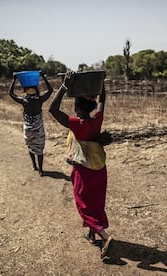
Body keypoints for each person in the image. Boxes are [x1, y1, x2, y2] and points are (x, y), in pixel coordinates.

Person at [48, 71, 113, 259]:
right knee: (95, 202)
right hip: (99, 169)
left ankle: (104, 235)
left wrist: (64, 86)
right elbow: (103, 99)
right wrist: (100, 82)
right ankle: (92, 234)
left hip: (83, 171)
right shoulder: (97, 119)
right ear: (91, 106)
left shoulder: (75, 123)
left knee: (83, 203)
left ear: (77, 109)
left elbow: (52, 110)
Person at [8, 71, 53, 176]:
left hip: (28, 129)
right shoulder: (40, 100)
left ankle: (34, 165)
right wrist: (43, 76)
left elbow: (11, 94)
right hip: (38, 128)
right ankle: (41, 170)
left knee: (31, 146)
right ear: (36, 90)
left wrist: (14, 79)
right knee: (39, 148)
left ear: (25, 91)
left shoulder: (24, 101)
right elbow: (50, 90)